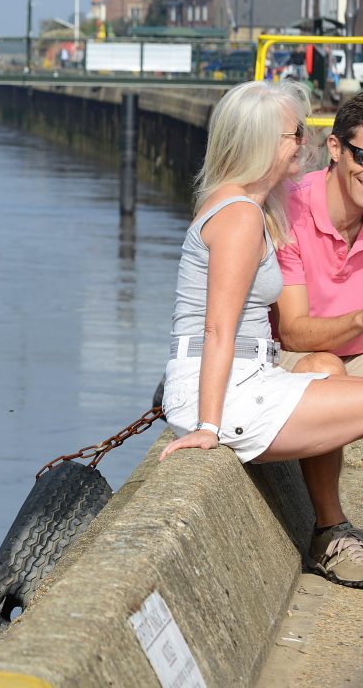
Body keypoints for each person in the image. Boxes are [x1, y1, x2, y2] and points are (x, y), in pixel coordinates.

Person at [159, 79, 363, 589]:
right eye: (296, 133)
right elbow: (217, 328)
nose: (305, 143)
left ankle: (331, 528)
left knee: (329, 374)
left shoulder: (251, 207)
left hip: (253, 378)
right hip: (232, 393)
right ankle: (332, 532)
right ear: (263, 143)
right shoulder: (240, 218)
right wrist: (208, 424)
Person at [272, 93, 363, 590]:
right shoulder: (292, 211)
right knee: (324, 368)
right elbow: (293, 329)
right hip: (293, 359)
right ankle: (329, 533)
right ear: (336, 148)